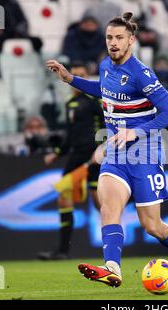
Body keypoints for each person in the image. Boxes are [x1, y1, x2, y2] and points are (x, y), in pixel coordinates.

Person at [46, 12, 168, 288]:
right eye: (109, 37)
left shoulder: (141, 74)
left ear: (131, 40)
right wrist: (70, 79)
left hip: (144, 154)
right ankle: (112, 268)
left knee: (152, 226)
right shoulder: (105, 67)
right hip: (117, 153)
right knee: (109, 208)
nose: (113, 42)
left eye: (119, 37)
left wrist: (136, 130)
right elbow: (104, 90)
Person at [38, 62, 105, 260]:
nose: (77, 79)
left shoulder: (95, 102)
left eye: (81, 75)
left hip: (93, 156)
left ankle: (113, 246)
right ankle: (62, 251)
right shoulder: (70, 103)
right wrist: (57, 153)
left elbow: (107, 126)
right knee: (64, 197)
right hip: (77, 156)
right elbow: (70, 134)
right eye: (74, 75)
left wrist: (102, 150)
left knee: (99, 202)